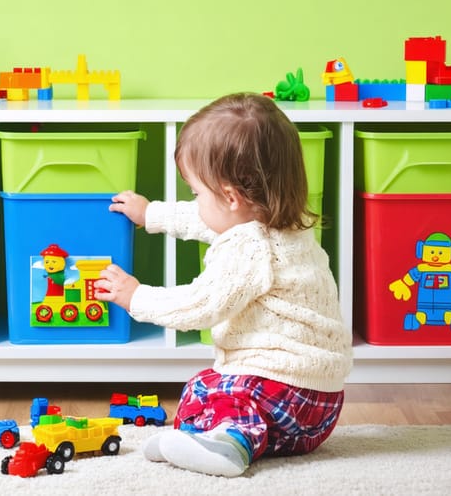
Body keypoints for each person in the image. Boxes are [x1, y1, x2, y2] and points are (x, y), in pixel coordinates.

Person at [95, 93, 353, 477]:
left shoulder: (248, 245)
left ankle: (230, 443)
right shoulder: (286, 225)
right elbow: (207, 221)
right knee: (204, 387)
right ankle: (218, 437)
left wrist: (136, 297)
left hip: (279, 392)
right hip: (320, 408)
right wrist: (152, 213)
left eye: (197, 193)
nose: (195, 202)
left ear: (232, 197)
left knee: (212, 390)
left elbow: (202, 304)